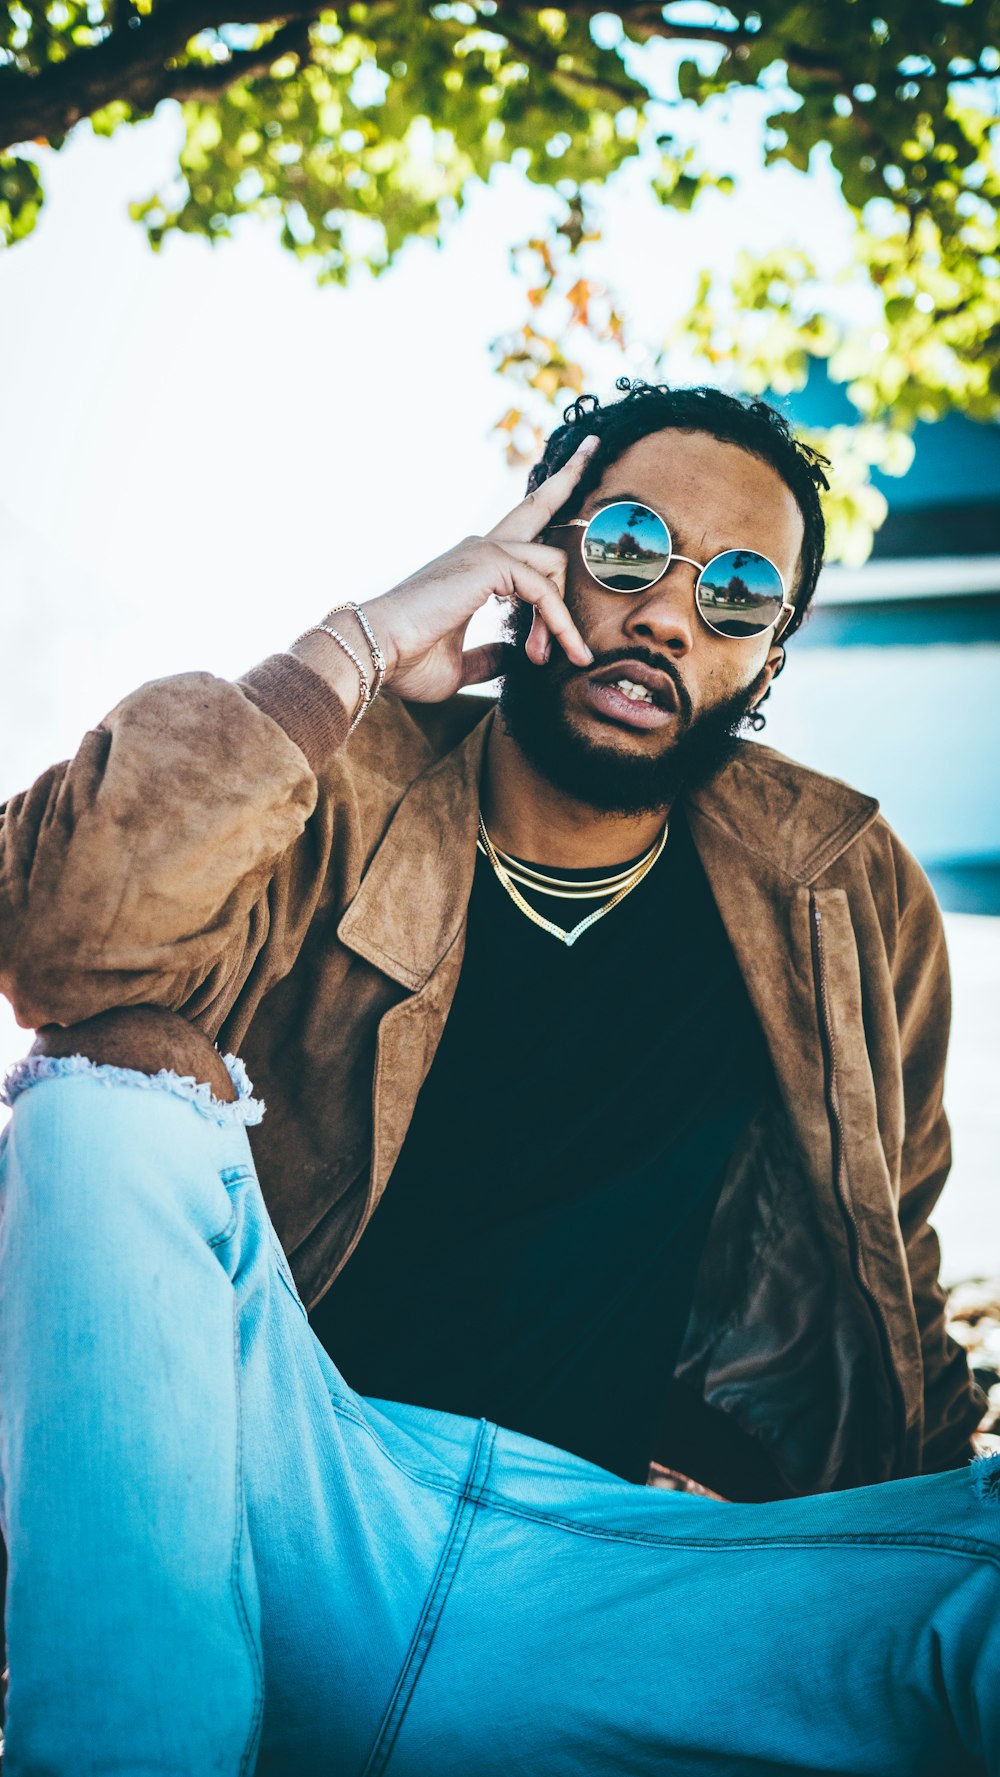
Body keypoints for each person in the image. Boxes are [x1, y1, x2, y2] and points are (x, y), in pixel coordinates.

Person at [1, 382, 996, 1764]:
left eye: (740, 590)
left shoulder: (842, 893)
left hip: (611, 1574)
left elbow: (896, 1277)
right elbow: (64, 939)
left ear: (766, 663)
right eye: (632, 544)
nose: (666, 612)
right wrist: (353, 648)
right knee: (109, 1085)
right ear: (537, 557)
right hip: (289, 1491)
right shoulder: (340, 789)